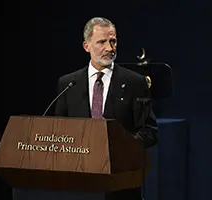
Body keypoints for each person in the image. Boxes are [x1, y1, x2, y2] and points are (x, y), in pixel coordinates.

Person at [54, 16, 158, 200]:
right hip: (79, 184)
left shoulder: (135, 82)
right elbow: (59, 132)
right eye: (102, 42)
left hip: (121, 184)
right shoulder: (68, 84)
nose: (110, 48)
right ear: (86, 46)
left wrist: (121, 148)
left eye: (113, 41)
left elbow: (149, 132)